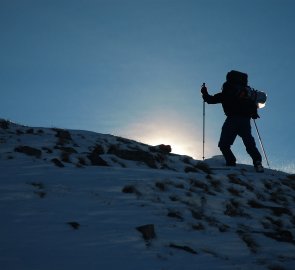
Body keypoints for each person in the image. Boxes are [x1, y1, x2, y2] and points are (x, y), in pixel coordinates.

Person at [201, 70, 264, 172]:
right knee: (249, 143)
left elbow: (210, 100)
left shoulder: (227, 92)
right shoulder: (247, 93)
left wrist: (204, 92)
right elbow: (253, 106)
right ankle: (257, 162)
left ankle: (231, 162)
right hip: (245, 121)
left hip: (232, 120)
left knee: (224, 144)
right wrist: (254, 113)